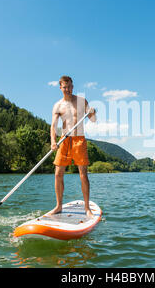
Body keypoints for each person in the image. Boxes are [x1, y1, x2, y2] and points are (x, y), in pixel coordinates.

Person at [50, 76, 97, 217]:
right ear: (60, 88)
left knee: (83, 175)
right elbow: (53, 126)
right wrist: (53, 141)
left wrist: (92, 113)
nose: (68, 89)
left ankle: (87, 208)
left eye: (70, 86)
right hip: (64, 140)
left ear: (73, 86)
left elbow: (93, 120)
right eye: (65, 87)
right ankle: (58, 206)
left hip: (79, 140)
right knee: (58, 174)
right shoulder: (58, 105)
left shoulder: (82, 101)